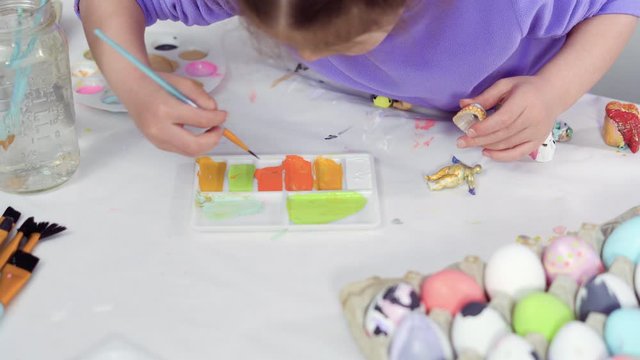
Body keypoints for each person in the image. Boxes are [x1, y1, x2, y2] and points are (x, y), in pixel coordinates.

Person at [75, 0, 640, 161]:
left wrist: (553, 92)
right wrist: (137, 85)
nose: (309, 51)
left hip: (500, 124)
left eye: (342, 42)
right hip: (353, 116)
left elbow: (617, 4)